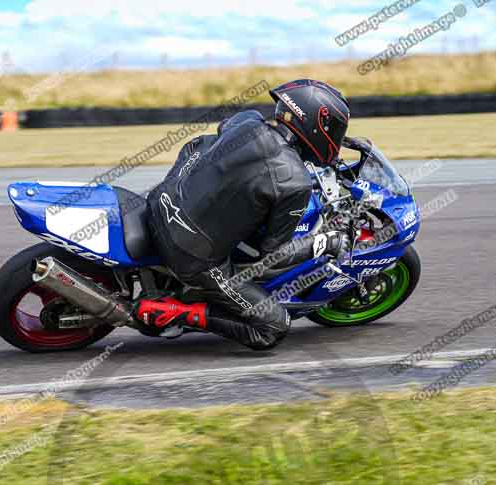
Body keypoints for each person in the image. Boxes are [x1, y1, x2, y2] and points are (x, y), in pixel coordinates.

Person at [136, 79, 351, 350]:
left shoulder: (250, 121)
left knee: (204, 144)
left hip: (161, 201)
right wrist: (325, 243)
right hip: (191, 256)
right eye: (337, 131)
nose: (338, 139)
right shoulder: (297, 183)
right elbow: (273, 254)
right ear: (319, 125)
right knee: (273, 327)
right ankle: (175, 312)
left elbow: (224, 131)